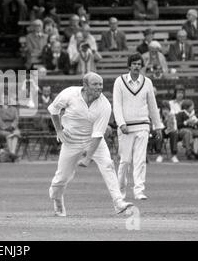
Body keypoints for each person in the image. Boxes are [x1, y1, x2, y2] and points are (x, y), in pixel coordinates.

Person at [47, 72, 134, 217]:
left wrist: (88, 158)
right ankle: (57, 199)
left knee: (108, 164)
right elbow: (53, 110)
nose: (99, 87)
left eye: (101, 84)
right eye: (95, 84)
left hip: (93, 140)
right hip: (71, 141)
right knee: (62, 177)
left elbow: (98, 134)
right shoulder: (69, 94)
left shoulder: (105, 105)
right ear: (85, 85)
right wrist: (59, 131)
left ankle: (118, 202)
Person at [112, 54, 163, 200]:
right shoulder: (119, 82)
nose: (136, 66)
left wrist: (157, 126)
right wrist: (121, 123)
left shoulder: (147, 82)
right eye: (133, 64)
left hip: (143, 125)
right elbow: (117, 104)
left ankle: (139, 191)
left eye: (139, 64)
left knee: (140, 160)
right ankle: (120, 192)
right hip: (125, 127)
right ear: (129, 66)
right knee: (125, 161)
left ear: (141, 66)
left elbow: (153, 106)